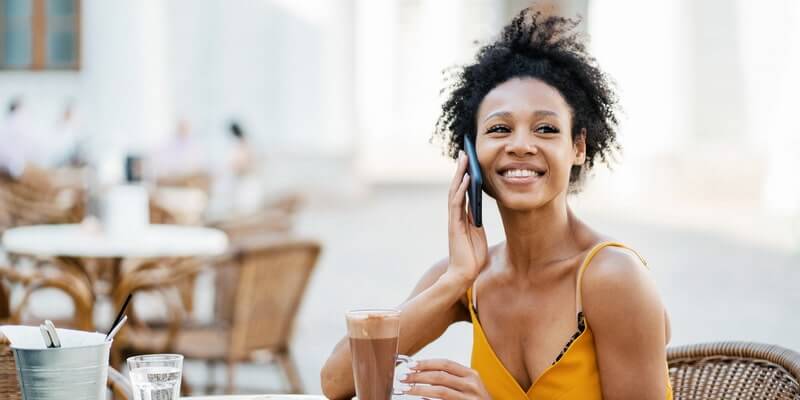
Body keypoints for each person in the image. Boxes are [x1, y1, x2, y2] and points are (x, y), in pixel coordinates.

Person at [321, 8, 672, 400]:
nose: (521, 145)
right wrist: (454, 280)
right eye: (499, 128)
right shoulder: (466, 279)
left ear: (578, 147)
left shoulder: (612, 277)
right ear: (469, 153)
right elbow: (336, 382)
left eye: (546, 129)